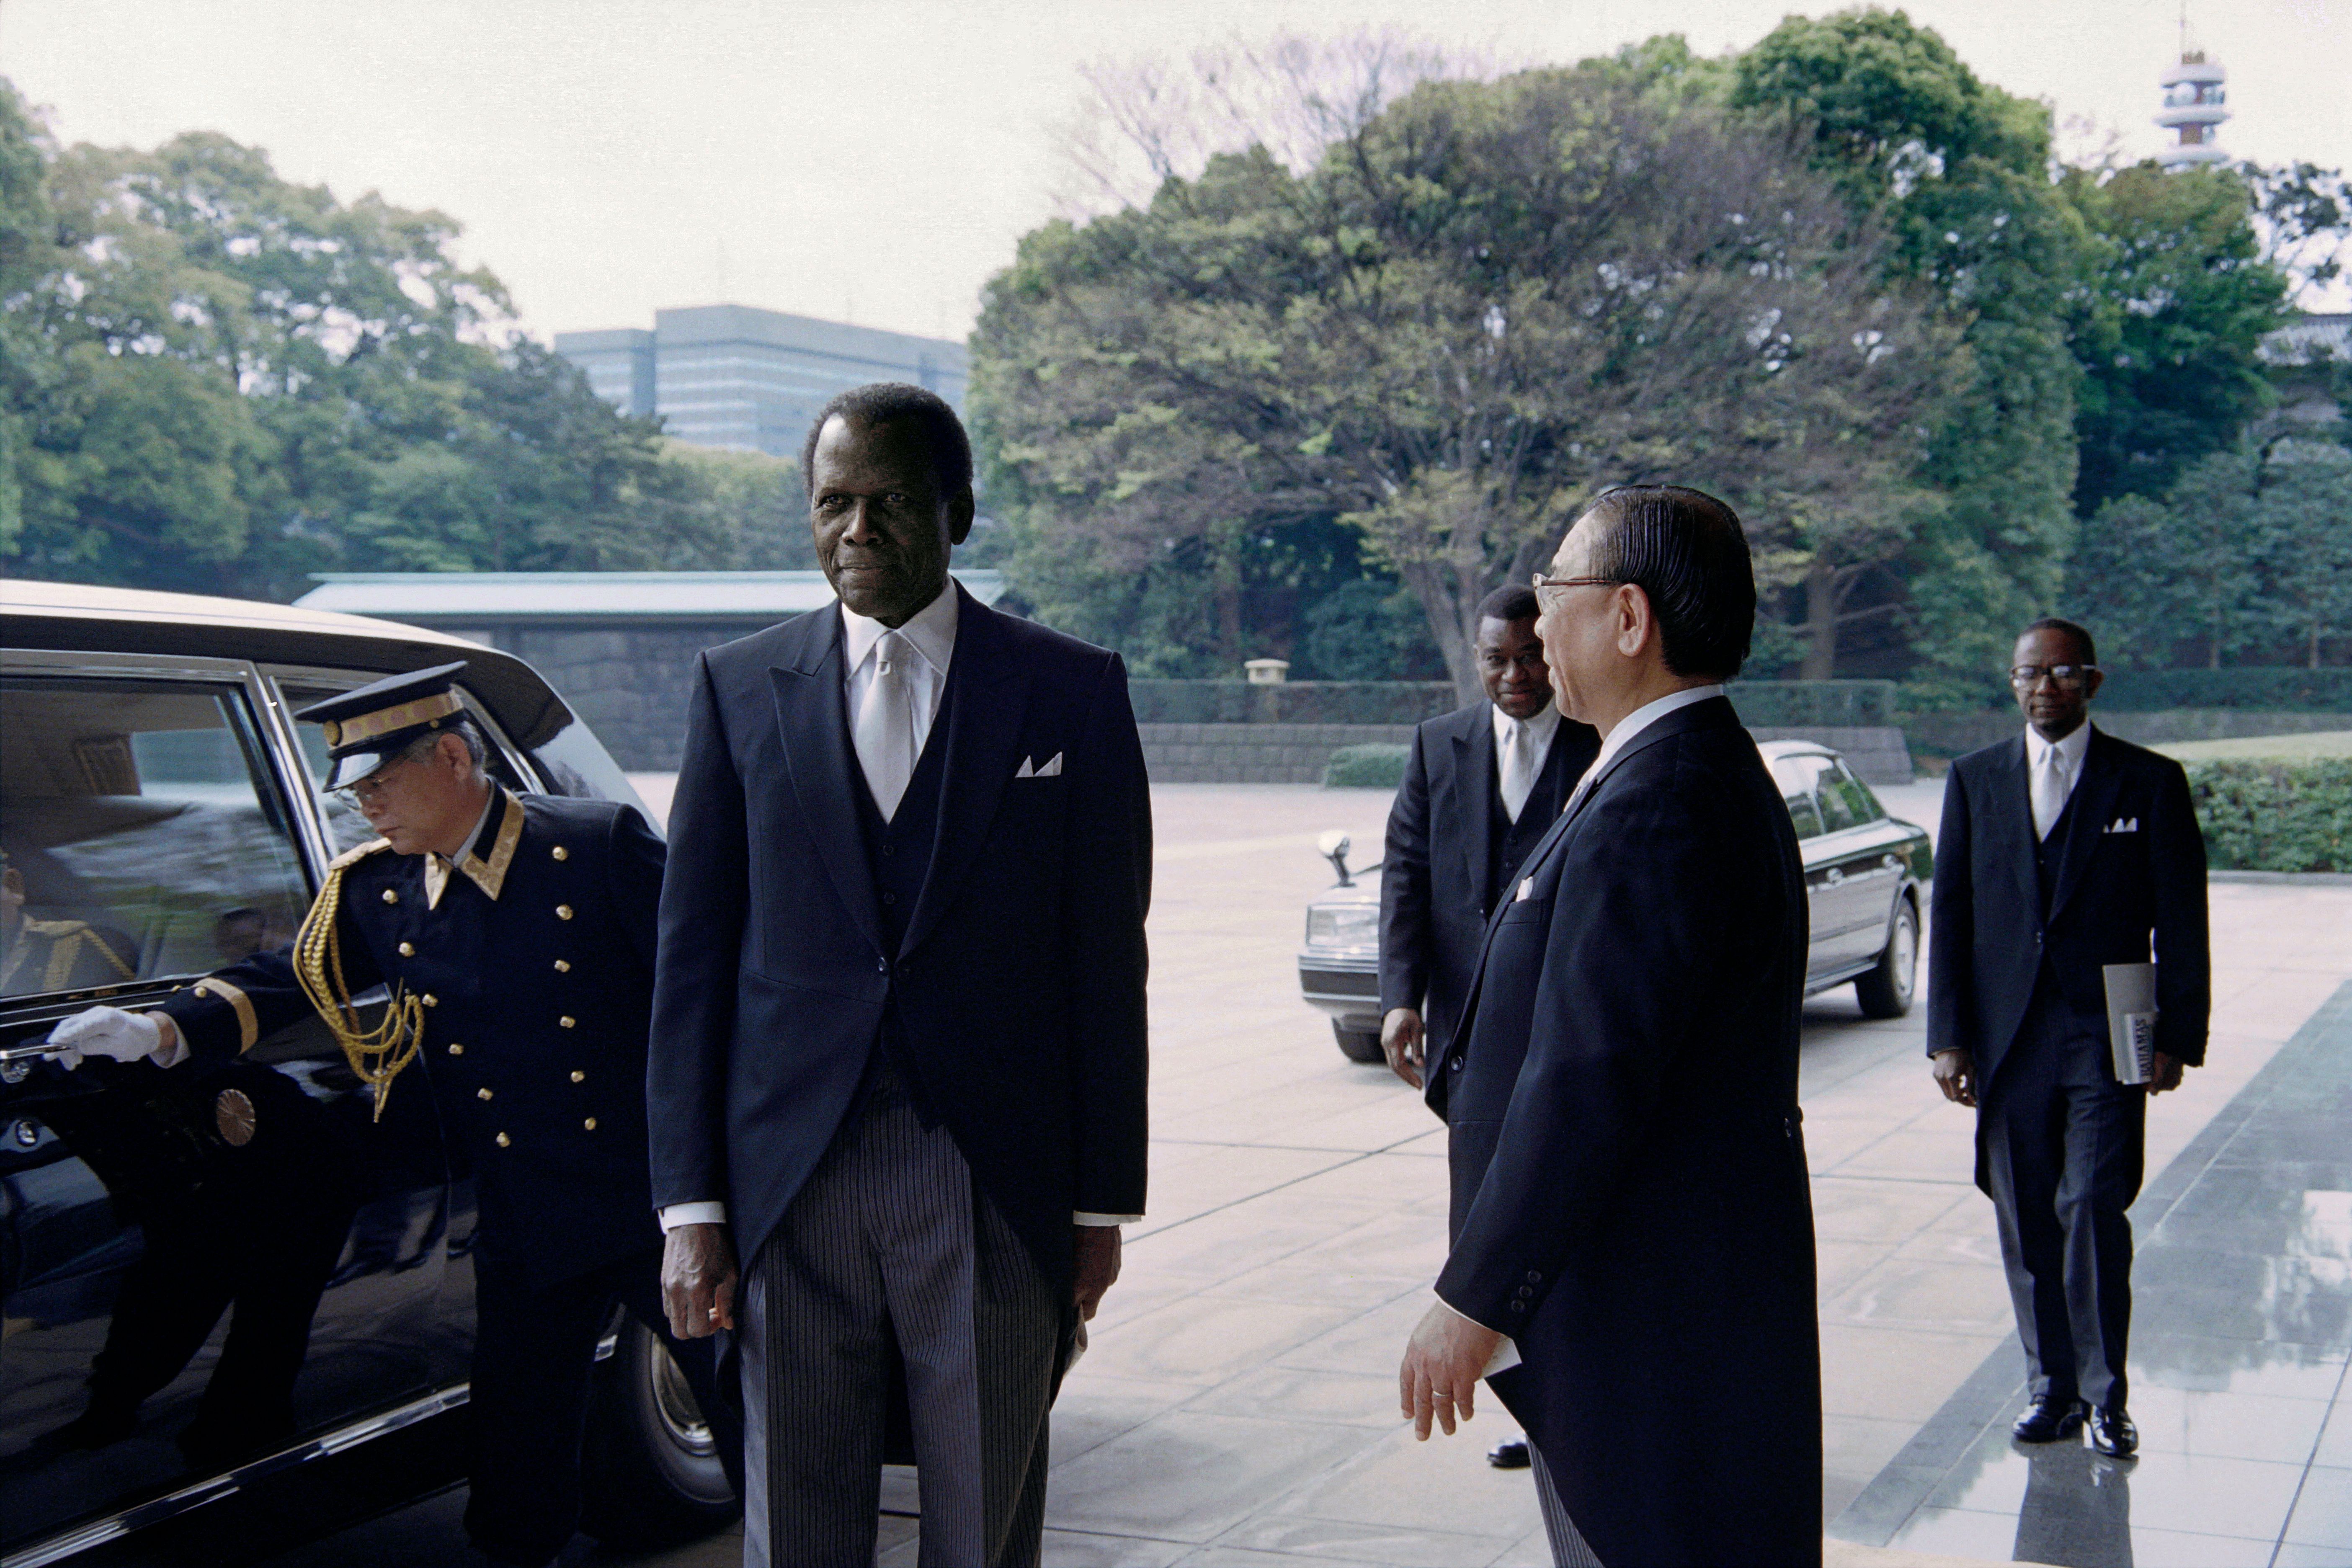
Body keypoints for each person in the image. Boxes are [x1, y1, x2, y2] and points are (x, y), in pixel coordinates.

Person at [49, 663, 740, 1568]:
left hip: (653, 1207)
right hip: (527, 1216)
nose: (365, 807)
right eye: (357, 791)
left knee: (756, 1418)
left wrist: (712, 1202)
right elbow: (292, 977)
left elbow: (709, 1006)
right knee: (517, 1448)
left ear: (452, 757)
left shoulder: (592, 844)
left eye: (378, 784)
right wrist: (158, 1027)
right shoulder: (382, 886)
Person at [648, 383, 1152, 1568]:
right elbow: (692, 969)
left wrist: (1099, 1205)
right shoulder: (738, 689)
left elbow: (1104, 962)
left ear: (958, 511)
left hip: (987, 1173)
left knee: (982, 1522)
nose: (856, 533)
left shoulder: (1071, 692)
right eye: (833, 504)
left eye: (889, 504)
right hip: (788, 1177)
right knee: (799, 1520)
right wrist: (690, 1209)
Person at [1395, 485, 1820, 1568]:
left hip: (1649, 1335)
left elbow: (1588, 1078)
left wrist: (1474, 1296)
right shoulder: (1663, 768)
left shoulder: (1662, 796)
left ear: (1629, 620)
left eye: (1555, 590)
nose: (1536, 624)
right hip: (1655, 1317)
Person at [1928, 618, 2209, 1460]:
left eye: (2061, 673)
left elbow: (2182, 922)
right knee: (2025, 1214)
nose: (2043, 687)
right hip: (2008, 1035)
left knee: (2092, 1204)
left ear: (2093, 681)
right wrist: (1948, 1037)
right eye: (2028, 675)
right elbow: (1951, 915)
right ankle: (2049, 1387)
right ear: (2012, 683)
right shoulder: (1974, 780)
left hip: (2109, 1028)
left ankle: (2106, 1394)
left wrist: (2178, 1036)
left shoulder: (2149, 782)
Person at [1375, 583, 1598, 1472]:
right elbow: (1405, 873)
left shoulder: (1596, 746)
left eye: (1529, 656)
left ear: (1552, 652)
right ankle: (1524, 1401)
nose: (1514, 675)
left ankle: (1574, 1400)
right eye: (1495, 660)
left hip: (1562, 1032)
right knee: (1485, 1223)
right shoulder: (1440, 746)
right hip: (1469, 1040)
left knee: (1558, 1212)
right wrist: (1400, 996)